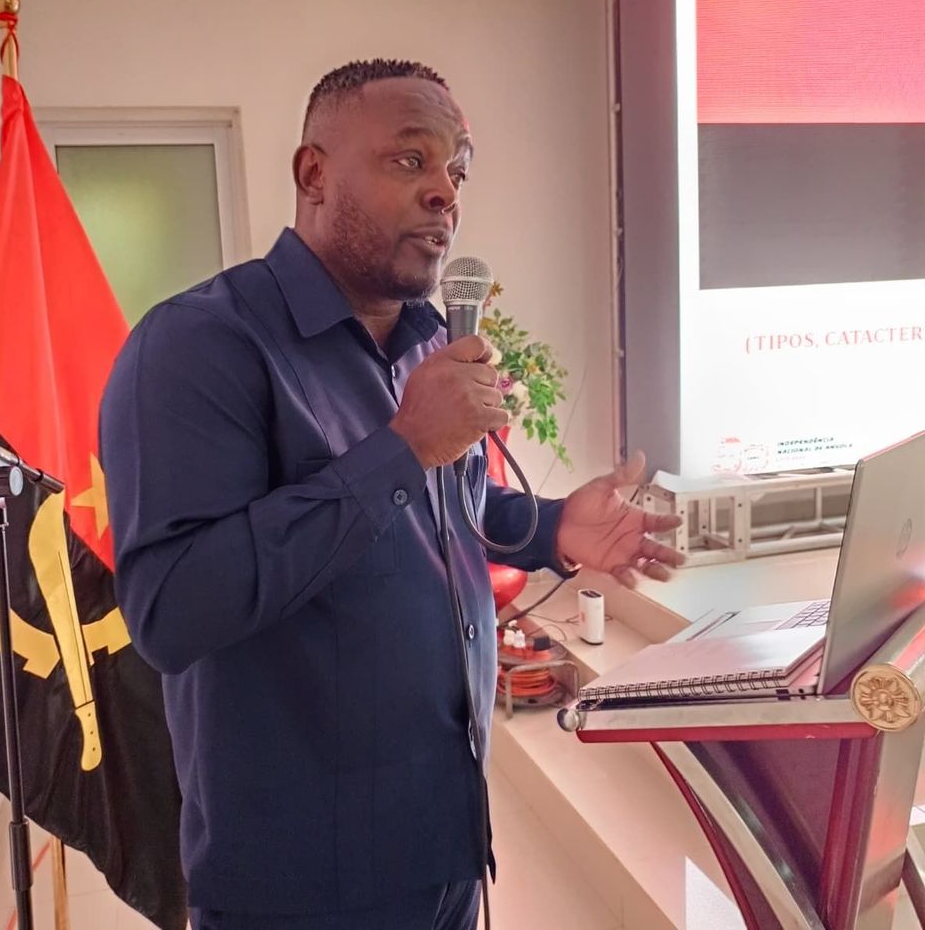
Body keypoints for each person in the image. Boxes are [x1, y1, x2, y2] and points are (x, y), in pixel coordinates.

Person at [100, 59, 683, 930]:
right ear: (314, 174)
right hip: (299, 891)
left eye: (458, 170)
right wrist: (403, 448)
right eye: (410, 160)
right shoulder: (198, 347)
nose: (445, 192)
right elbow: (172, 610)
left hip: (444, 845)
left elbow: (449, 513)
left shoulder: (426, 343)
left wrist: (556, 526)